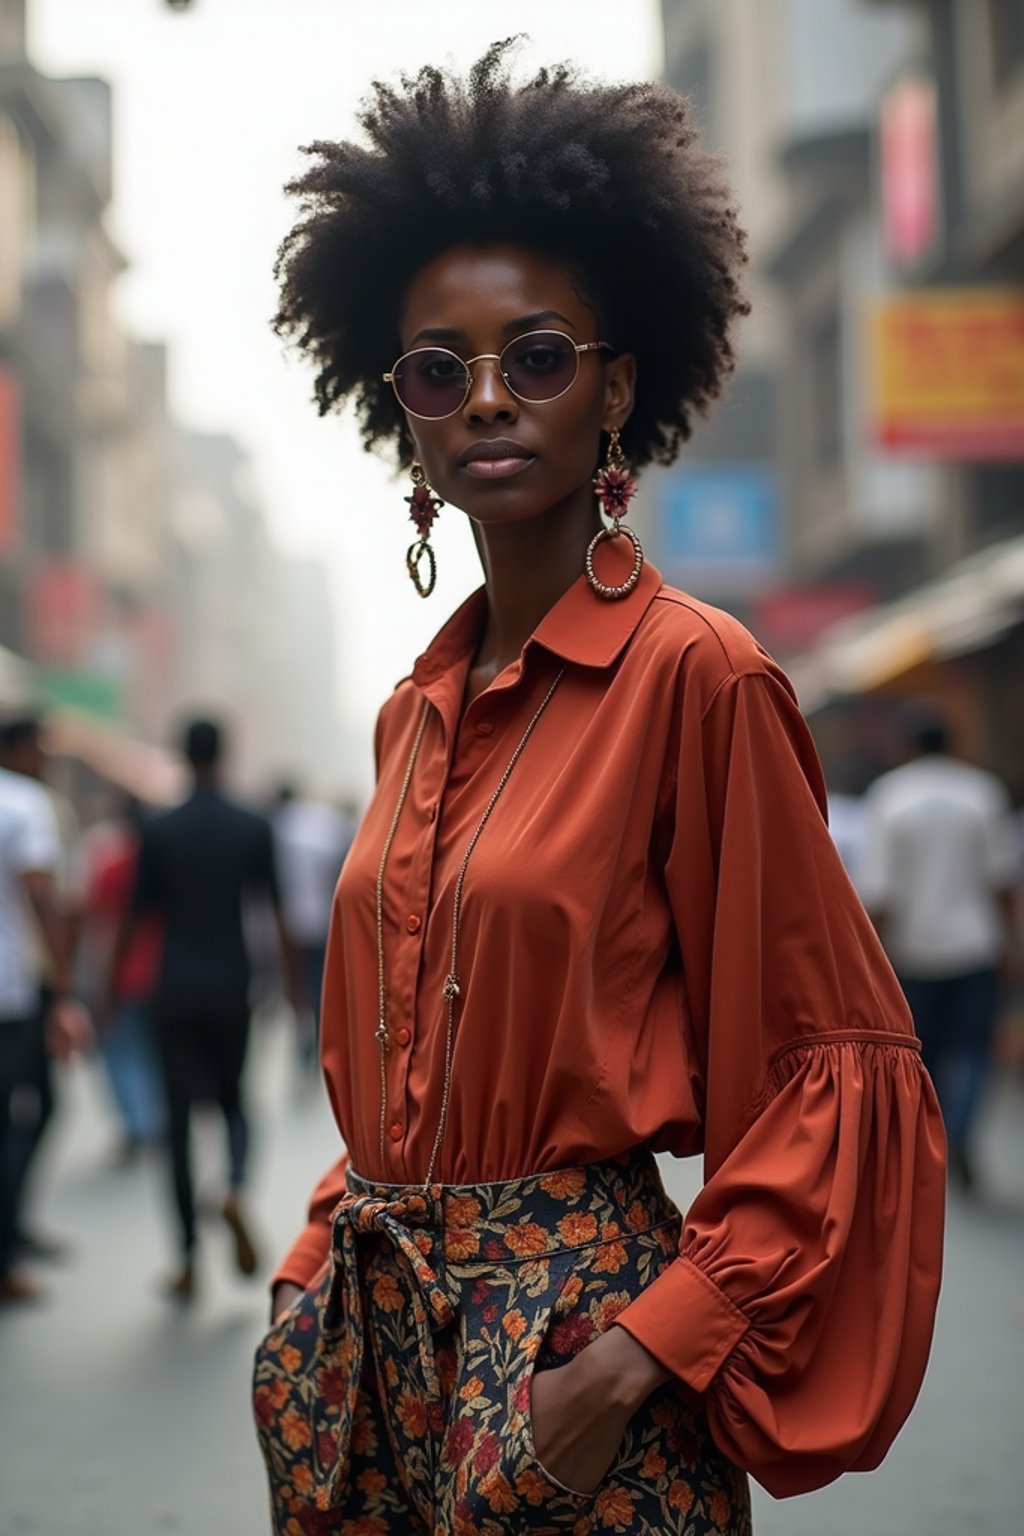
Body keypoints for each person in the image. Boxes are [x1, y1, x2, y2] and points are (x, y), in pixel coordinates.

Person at [253, 44, 945, 1535]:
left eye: (540, 356)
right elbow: (410, 1051)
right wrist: (312, 1266)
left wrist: (637, 1358)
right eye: (442, 367)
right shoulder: (409, 715)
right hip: (375, 1368)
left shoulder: (703, 679)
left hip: (577, 1373)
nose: (490, 397)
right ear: (408, 419)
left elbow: (831, 1075)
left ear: (617, 387)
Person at [106, 718, 299, 1299]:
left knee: (178, 1123)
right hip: (231, 987)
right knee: (236, 1104)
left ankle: (188, 1261)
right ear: (227, 753)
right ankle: (235, 1186)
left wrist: (108, 991)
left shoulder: (159, 829)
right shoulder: (252, 825)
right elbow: (277, 914)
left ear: (181, 756)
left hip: (173, 990)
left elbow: (135, 919)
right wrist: (294, 990)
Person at [859, 704, 1020, 1191]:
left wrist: (872, 960)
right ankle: (962, 1133)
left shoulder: (889, 797)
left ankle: (932, 1141)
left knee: (920, 1057)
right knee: (972, 1051)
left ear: (907, 746)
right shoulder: (982, 792)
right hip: (975, 946)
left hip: (912, 951)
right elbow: (1003, 881)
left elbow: (880, 892)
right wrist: (1011, 945)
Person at [0, 757, 89, 1304]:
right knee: (23, 1115)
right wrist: (62, 993)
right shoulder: (22, 802)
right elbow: (41, 894)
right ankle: (7, 1251)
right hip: (11, 994)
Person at [83, 794, 165, 1163]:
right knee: (153, 1051)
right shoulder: (164, 858)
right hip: (162, 969)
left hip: (123, 970)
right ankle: (155, 1121)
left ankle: (137, 1124)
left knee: (120, 1051)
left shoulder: (112, 864)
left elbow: (98, 919)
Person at [270, 783, 356, 1072]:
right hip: (320, 920)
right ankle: (318, 1038)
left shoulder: (280, 831)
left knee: (296, 985)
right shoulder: (325, 830)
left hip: (289, 923)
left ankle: (305, 1036)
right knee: (318, 984)